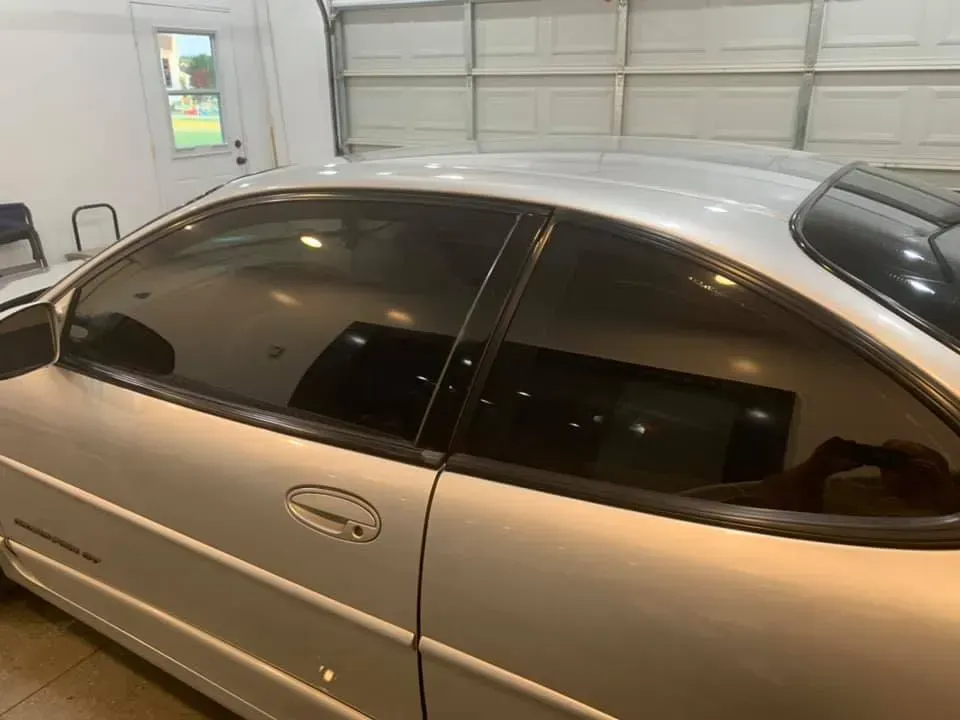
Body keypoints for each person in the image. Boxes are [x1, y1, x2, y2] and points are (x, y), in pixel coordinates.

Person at [688, 437, 960, 517]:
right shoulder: (849, 491)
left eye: (900, 461)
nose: (889, 467)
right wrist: (814, 469)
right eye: (884, 459)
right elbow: (763, 500)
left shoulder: (945, 515)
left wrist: (941, 487)